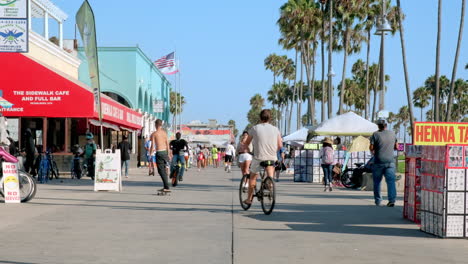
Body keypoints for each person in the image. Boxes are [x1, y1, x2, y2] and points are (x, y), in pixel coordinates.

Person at [243, 109, 282, 205]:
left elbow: (247, 143)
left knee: (252, 177)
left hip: (258, 157)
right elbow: (280, 145)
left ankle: (249, 199)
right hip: (272, 157)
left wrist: (249, 150)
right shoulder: (275, 129)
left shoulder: (255, 128)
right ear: (270, 118)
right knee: (270, 172)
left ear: (260, 118)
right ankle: (270, 184)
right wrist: (273, 152)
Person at [370, 119, 398, 207]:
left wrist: (374, 152)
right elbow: (396, 147)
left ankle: (378, 201)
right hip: (390, 162)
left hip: (378, 161)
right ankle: (392, 200)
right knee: (391, 182)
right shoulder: (392, 134)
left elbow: (371, 147)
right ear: (386, 125)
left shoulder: (375, 134)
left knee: (377, 182)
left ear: (378, 126)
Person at [150, 119, 171, 192]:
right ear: (161, 125)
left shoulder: (154, 134)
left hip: (159, 153)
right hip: (165, 152)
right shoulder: (165, 133)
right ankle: (165, 186)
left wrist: (150, 154)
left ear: (155, 125)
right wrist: (168, 154)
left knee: (160, 170)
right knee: (164, 170)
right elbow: (167, 144)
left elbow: (152, 146)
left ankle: (166, 187)